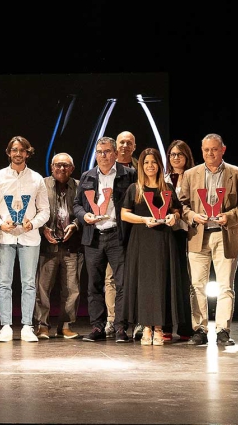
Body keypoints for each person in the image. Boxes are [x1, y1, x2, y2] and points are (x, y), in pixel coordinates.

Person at [178, 133, 238, 347]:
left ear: (223, 150)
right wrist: (192, 216)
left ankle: (223, 330)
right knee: (197, 286)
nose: (210, 153)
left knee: (225, 286)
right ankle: (199, 329)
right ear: (202, 151)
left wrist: (229, 217)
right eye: (206, 150)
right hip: (198, 235)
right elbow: (182, 205)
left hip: (225, 234)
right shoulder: (191, 175)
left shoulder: (237, 174)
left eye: (214, 149)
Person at [0, 136, 50, 343]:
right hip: (4, 237)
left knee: (29, 284)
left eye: (22, 150)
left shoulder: (37, 179)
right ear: (8, 152)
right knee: (4, 283)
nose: (18, 154)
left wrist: (34, 223)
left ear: (27, 153)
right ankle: (5, 326)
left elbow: (44, 211)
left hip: (29, 238)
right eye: (14, 150)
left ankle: (27, 326)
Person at [120, 148, 187, 346]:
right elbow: (124, 214)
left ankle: (159, 327)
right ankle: (146, 326)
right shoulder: (135, 188)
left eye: (154, 162)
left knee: (161, 282)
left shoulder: (167, 188)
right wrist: (144, 219)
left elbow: (177, 212)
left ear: (159, 165)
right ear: (141, 166)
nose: (150, 166)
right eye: (146, 162)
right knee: (144, 284)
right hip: (141, 240)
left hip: (163, 241)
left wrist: (172, 217)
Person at [73, 136, 136, 343]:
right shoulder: (87, 176)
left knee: (122, 284)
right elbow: (77, 205)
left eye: (107, 151)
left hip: (118, 236)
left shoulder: (129, 175)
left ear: (116, 154)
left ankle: (120, 327)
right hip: (94, 237)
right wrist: (85, 216)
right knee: (94, 285)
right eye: (100, 152)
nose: (103, 156)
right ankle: (97, 326)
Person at [35, 152, 82, 340]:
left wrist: (76, 225)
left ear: (72, 168)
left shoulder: (79, 186)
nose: (62, 168)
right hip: (47, 245)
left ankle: (65, 325)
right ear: (51, 167)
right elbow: (34, 209)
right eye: (58, 165)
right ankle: (42, 325)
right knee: (42, 288)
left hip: (72, 245)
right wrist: (43, 228)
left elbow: (84, 211)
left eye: (66, 165)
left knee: (72, 289)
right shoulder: (42, 185)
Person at [163, 139, 196, 342]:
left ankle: (186, 327)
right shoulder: (162, 178)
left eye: (179, 154)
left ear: (187, 157)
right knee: (167, 280)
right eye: (172, 155)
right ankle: (165, 325)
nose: (176, 158)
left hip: (190, 232)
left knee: (187, 281)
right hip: (167, 232)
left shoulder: (195, 176)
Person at [106, 130, 137, 337]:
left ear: (134, 146)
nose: (125, 146)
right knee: (110, 278)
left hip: (135, 231)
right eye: (121, 142)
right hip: (111, 233)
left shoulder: (140, 169)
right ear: (116, 147)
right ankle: (111, 320)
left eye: (129, 143)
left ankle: (135, 320)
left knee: (134, 277)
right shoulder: (105, 168)